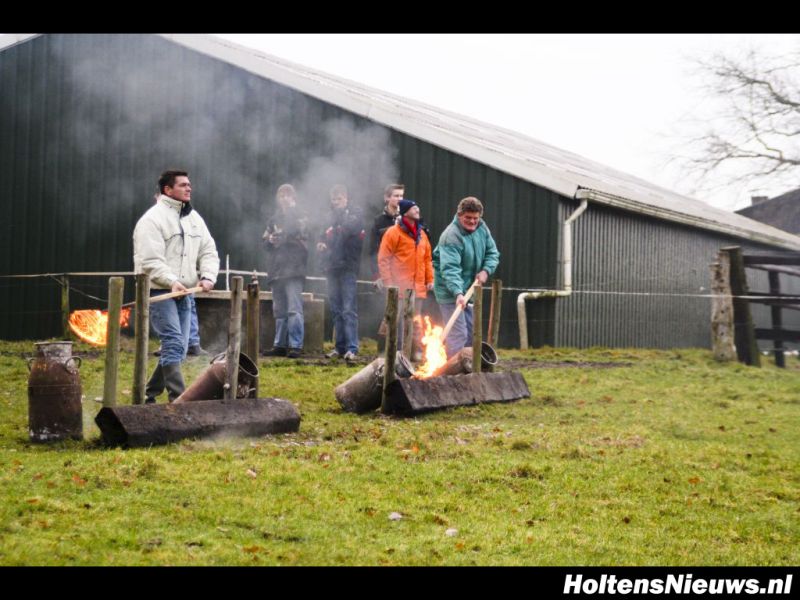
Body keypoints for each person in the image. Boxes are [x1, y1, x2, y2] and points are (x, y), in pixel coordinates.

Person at [133, 169, 219, 404]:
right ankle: (179, 400)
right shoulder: (151, 220)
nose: (188, 188)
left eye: (189, 185)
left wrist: (208, 276)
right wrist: (172, 281)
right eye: (182, 185)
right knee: (172, 342)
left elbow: (209, 250)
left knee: (179, 347)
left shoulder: (194, 219)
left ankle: (149, 395)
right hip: (160, 291)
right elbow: (150, 262)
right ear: (167, 190)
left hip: (186, 292)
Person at [432, 196, 500, 358]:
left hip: (470, 288)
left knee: (471, 334)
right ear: (459, 215)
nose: (472, 221)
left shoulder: (482, 228)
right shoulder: (451, 236)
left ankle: (470, 372)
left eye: (475, 218)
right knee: (458, 334)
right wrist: (458, 293)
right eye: (467, 218)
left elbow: (493, 253)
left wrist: (486, 270)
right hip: (450, 292)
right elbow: (450, 269)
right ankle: (453, 374)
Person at [377, 199, 433, 361]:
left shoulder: (422, 234)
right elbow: (384, 259)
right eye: (414, 208)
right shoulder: (393, 233)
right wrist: (389, 284)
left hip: (418, 287)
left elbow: (427, 258)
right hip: (399, 287)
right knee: (392, 320)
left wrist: (429, 279)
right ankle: (387, 351)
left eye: (417, 207)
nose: (417, 210)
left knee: (415, 322)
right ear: (405, 212)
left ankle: (414, 353)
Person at [316, 184, 365, 363]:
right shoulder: (328, 216)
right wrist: (321, 243)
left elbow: (348, 230)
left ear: (346, 198)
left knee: (348, 309)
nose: (336, 202)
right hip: (331, 267)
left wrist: (332, 232)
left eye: (339, 199)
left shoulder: (356, 213)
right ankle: (339, 347)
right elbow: (323, 235)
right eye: (334, 199)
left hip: (348, 267)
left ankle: (352, 347)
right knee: (336, 309)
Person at [262, 183, 308, 359]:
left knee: (294, 309)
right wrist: (271, 240)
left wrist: (283, 236)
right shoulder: (273, 219)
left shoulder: (301, 216)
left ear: (293, 198)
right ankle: (279, 345)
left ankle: (296, 345)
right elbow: (264, 242)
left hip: (294, 269)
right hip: (276, 270)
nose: (284, 199)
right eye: (281, 196)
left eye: (287, 195)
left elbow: (303, 235)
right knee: (279, 310)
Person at [369, 183, 404, 288]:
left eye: (401, 196)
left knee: (407, 305)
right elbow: (373, 250)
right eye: (396, 196)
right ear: (387, 198)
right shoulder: (379, 221)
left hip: (407, 274)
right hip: (387, 275)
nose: (400, 199)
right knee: (391, 304)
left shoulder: (408, 218)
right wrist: (377, 275)